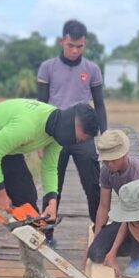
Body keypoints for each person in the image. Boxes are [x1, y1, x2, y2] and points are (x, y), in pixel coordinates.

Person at [0, 98, 99, 278]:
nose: (77, 144)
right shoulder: (27, 125)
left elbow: (50, 168)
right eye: (79, 139)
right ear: (71, 126)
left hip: (11, 149)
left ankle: (34, 270)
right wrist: (0, 193)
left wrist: (52, 200)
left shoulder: (57, 134)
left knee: (29, 207)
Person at [37, 19, 107, 249]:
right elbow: (41, 104)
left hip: (83, 136)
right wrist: (37, 139)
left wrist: (105, 137)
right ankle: (46, 235)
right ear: (62, 41)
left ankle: (99, 234)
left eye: (80, 46)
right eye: (71, 45)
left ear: (85, 44)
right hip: (54, 134)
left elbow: (99, 105)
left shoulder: (92, 70)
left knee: (93, 186)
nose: (75, 50)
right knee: (52, 186)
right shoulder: (47, 68)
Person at [87, 129, 139, 277]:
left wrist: (112, 252)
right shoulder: (106, 171)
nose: (109, 163)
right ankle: (129, 244)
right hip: (125, 216)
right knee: (95, 254)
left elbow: (132, 214)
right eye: (106, 160)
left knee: (137, 221)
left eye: (114, 159)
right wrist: (96, 240)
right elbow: (104, 207)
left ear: (124, 154)